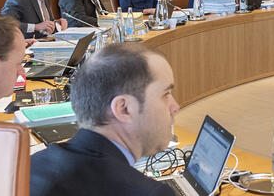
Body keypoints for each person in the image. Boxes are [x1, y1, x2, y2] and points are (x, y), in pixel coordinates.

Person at [29, 44, 179, 196]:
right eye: (166, 94)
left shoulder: (31, 165)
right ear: (124, 109)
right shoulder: (149, 192)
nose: (176, 107)